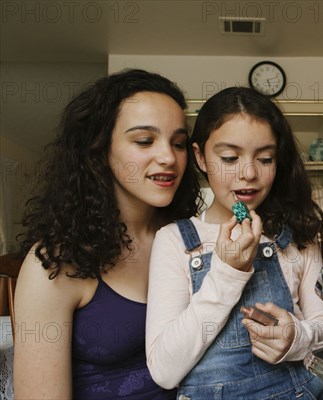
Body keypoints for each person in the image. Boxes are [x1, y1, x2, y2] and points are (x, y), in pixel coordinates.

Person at [13, 69, 200, 399]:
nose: (168, 157)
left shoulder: (190, 238)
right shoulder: (55, 263)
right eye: (144, 141)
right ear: (99, 150)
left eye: (179, 143)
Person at [146, 87, 323, 399]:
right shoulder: (174, 241)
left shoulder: (296, 236)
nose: (249, 173)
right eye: (229, 158)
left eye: (265, 158)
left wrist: (297, 338)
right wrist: (227, 272)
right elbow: (164, 371)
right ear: (200, 157)